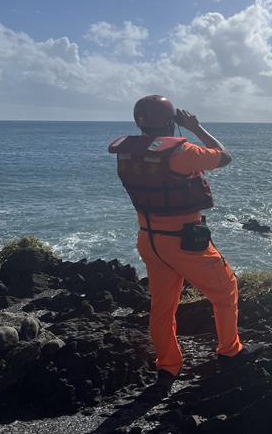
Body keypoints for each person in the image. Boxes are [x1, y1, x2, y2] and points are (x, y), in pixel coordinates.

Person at [109, 95, 261, 391]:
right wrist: (195, 127)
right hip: (184, 241)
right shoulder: (181, 151)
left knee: (163, 306)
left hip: (149, 239)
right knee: (226, 289)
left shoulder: (127, 151)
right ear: (170, 121)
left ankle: (168, 367)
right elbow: (223, 155)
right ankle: (231, 352)